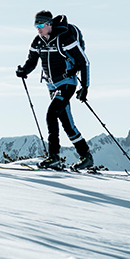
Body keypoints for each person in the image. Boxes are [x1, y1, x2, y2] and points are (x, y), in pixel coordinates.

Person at [15, 10, 94, 170]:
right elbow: (32, 61)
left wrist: (84, 87)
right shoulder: (37, 42)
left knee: (51, 114)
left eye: (41, 25)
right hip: (51, 85)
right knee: (67, 123)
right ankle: (86, 156)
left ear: (50, 24)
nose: (38, 28)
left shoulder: (64, 39)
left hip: (66, 83)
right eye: (36, 25)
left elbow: (84, 61)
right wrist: (24, 70)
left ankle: (54, 157)